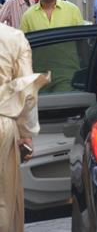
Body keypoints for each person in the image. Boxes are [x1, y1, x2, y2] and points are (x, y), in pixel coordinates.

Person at [0, 22, 49, 231]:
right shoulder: (13, 37)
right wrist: (26, 134)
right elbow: (27, 93)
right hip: (3, 121)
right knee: (3, 198)